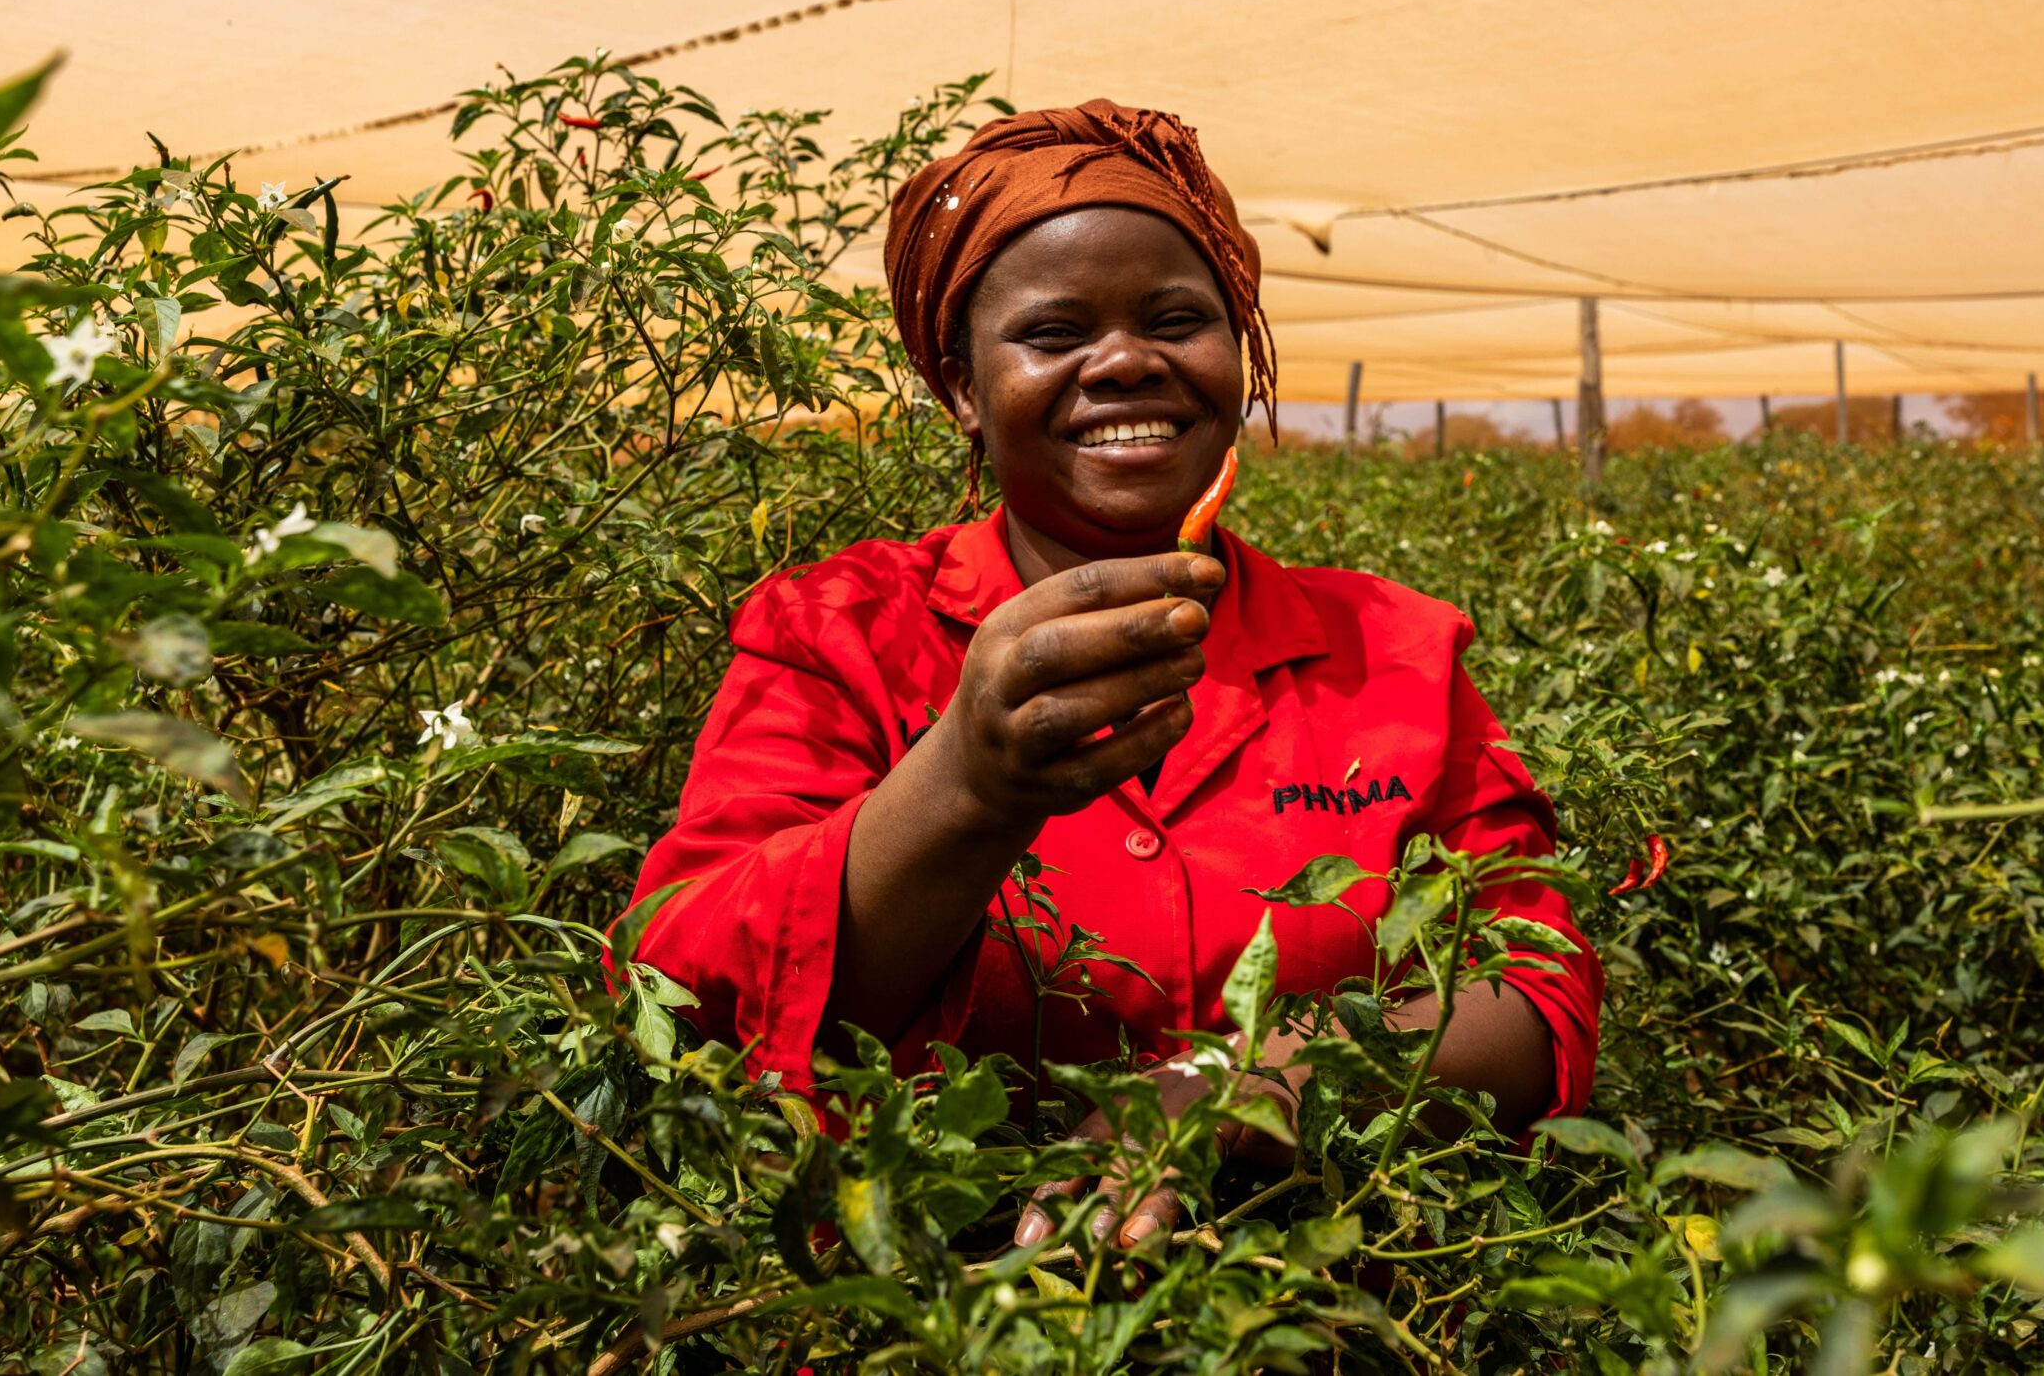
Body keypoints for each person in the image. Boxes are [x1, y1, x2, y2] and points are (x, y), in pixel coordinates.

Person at [621, 99, 1601, 1250]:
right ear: (960, 387)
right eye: (1052, 334)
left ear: (1234, 353)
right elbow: (681, 1006)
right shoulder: (837, 633)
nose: (1128, 361)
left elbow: (1532, 990)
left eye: (1177, 319)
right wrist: (965, 788)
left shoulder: (1391, 652)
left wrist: (1236, 1089)